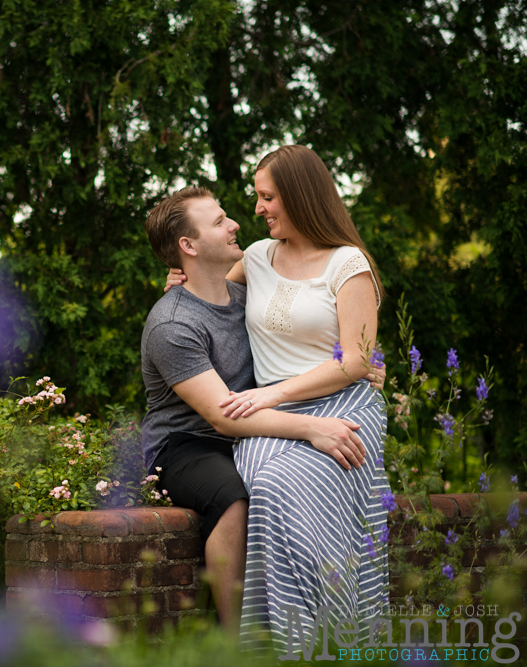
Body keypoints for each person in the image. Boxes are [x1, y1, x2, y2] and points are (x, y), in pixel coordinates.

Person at [163, 145, 391, 652]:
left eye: (267, 197)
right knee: (263, 481)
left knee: (296, 482)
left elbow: (355, 361)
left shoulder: (348, 263)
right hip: (273, 416)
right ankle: (276, 645)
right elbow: (203, 288)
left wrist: (271, 394)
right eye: (257, 198)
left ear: (300, 196)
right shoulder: (258, 258)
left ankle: (335, 636)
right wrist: (175, 280)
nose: (258, 209)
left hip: (342, 402)